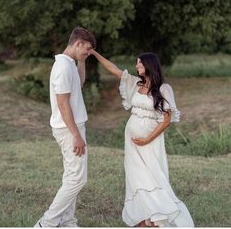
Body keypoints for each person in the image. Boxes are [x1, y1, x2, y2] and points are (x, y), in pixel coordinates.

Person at [90, 50, 194, 227]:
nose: (136, 66)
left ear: (149, 65)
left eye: (139, 63)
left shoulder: (163, 89)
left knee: (152, 176)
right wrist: (94, 53)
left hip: (150, 141)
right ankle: (145, 217)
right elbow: (114, 70)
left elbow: (167, 120)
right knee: (136, 177)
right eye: (137, 63)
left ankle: (158, 215)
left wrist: (147, 139)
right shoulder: (134, 83)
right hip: (131, 142)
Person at [34, 27, 96, 227]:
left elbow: (79, 83)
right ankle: (48, 222)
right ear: (77, 43)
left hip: (74, 128)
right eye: (86, 49)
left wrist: (82, 61)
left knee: (72, 177)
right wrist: (76, 136)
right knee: (78, 179)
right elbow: (63, 103)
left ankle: (67, 221)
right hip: (69, 130)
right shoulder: (61, 67)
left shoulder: (69, 63)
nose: (88, 53)